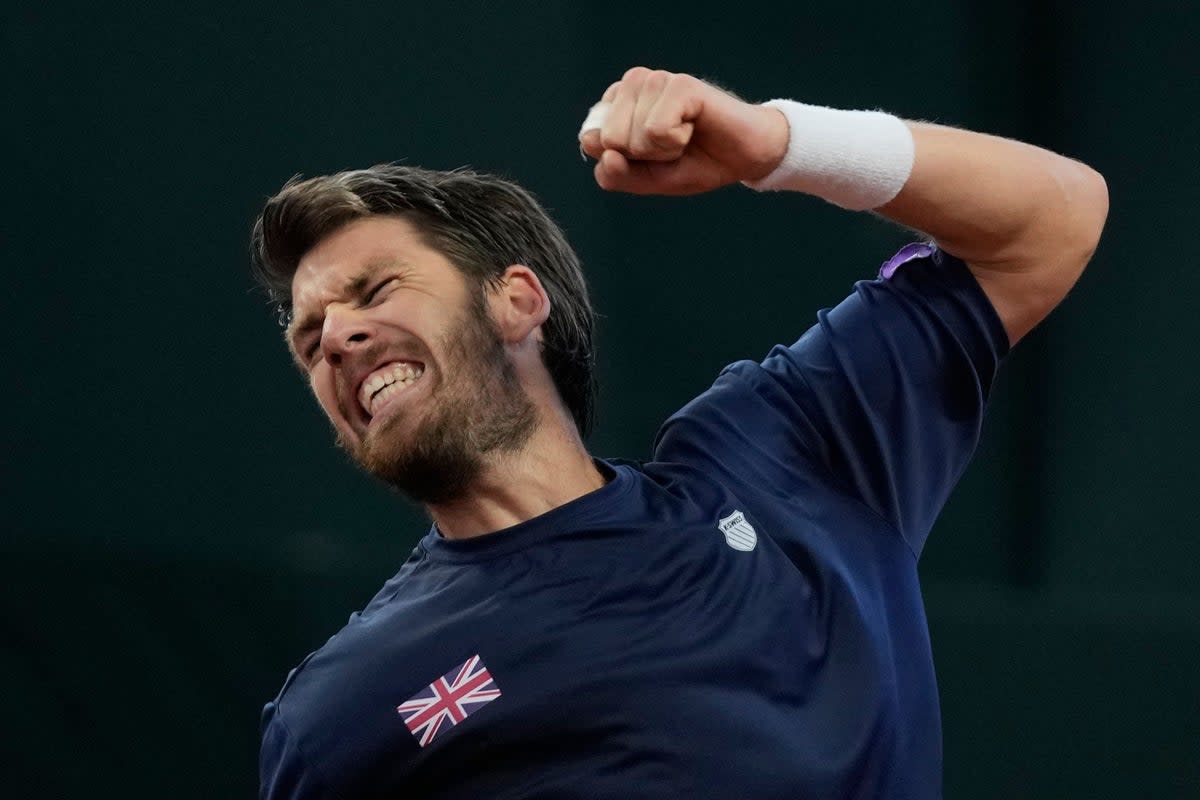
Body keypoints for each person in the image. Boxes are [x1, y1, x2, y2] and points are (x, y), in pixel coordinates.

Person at [253, 67, 1107, 799]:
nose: (333, 338)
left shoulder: (780, 458)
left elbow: (1052, 218)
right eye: (307, 336)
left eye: (375, 290)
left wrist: (778, 144)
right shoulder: (341, 713)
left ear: (517, 298)